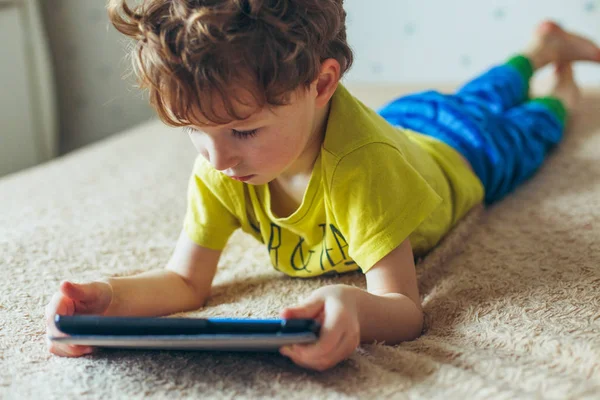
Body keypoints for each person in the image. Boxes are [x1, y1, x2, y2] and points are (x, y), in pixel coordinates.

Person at [45, 0, 600, 372]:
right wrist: (108, 299)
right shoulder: (222, 163)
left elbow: (404, 308)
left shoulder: (363, 169)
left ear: (322, 84)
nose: (217, 158)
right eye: (194, 129)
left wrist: (353, 306)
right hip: (408, 125)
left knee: (537, 125)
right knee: (473, 94)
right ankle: (540, 49)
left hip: (467, 154)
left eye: (243, 129)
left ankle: (560, 75)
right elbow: (185, 283)